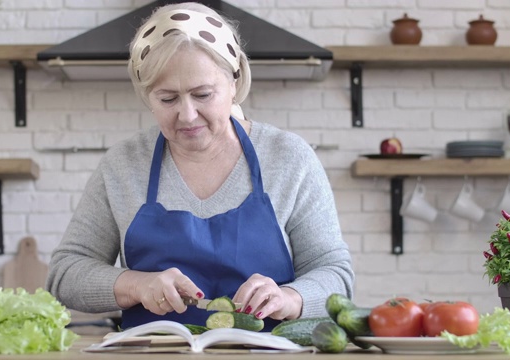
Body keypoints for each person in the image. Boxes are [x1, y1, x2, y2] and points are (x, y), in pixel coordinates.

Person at [46, 2, 354, 331]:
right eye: (167, 99)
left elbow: (335, 273)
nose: (187, 115)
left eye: (203, 94)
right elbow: (65, 274)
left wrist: (291, 297)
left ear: (234, 81)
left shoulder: (289, 157)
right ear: (146, 96)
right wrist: (136, 284)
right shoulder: (122, 165)